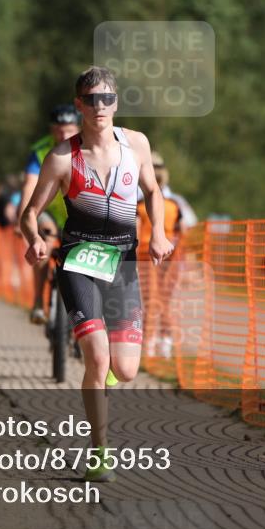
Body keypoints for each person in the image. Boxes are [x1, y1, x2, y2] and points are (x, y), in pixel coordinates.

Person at [19, 66, 174, 482]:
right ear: (79, 105)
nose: (99, 107)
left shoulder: (136, 144)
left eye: (106, 98)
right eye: (91, 99)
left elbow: (154, 192)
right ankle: (100, 451)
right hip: (79, 262)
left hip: (122, 264)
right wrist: (34, 238)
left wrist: (158, 231)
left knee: (124, 369)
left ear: (116, 103)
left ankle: (97, 375)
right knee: (98, 357)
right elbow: (29, 214)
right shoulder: (61, 157)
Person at [19, 104, 82, 324]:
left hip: (76, 213)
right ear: (51, 129)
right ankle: (37, 302)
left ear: (78, 128)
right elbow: (29, 187)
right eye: (58, 129)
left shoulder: (87, 147)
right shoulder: (40, 151)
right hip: (48, 210)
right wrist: (24, 221)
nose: (63, 134)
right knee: (43, 239)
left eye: (69, 129)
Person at [136, 153, 183, 359]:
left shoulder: (172, 203)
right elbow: (184, 230)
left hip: (161, 257)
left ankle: (157, 342)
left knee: (156, 300)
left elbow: (183, 231)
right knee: (156, 301)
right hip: (152, 256)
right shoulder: (171, 204)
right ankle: (158, 342)